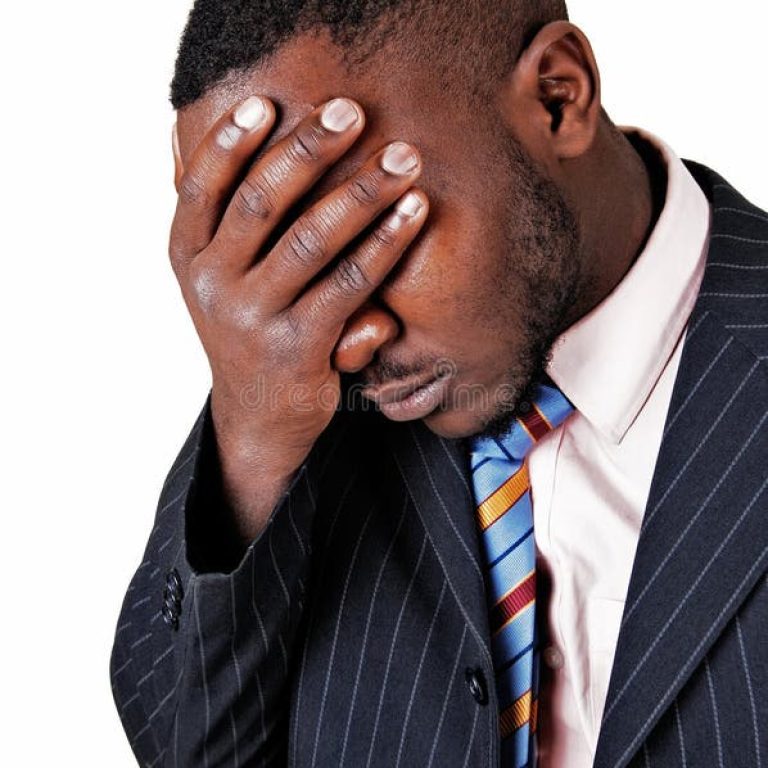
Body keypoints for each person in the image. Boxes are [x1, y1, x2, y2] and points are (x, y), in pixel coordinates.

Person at [109, 1, 768, 766]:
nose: (347, 340)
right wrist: (253, 428)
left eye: (366, 237)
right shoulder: (304, 411)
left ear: (558, 97)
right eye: (291, 266)